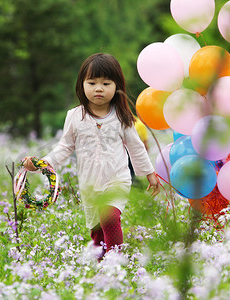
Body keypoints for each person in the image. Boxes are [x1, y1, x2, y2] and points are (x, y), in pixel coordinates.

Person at [24, 53, 160, 260]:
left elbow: (136, 147)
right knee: (97, 233)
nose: (99, 88)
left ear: (116, 86)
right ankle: (100, 270)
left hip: (117, 179)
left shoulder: (122, 117)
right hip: (89, 183)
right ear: (82, 85)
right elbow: (64, 148)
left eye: (106, 83)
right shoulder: (75, 116)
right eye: (92, 82)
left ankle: (116, 263)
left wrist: (149, 173)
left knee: (110, 216)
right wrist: (41, 164)